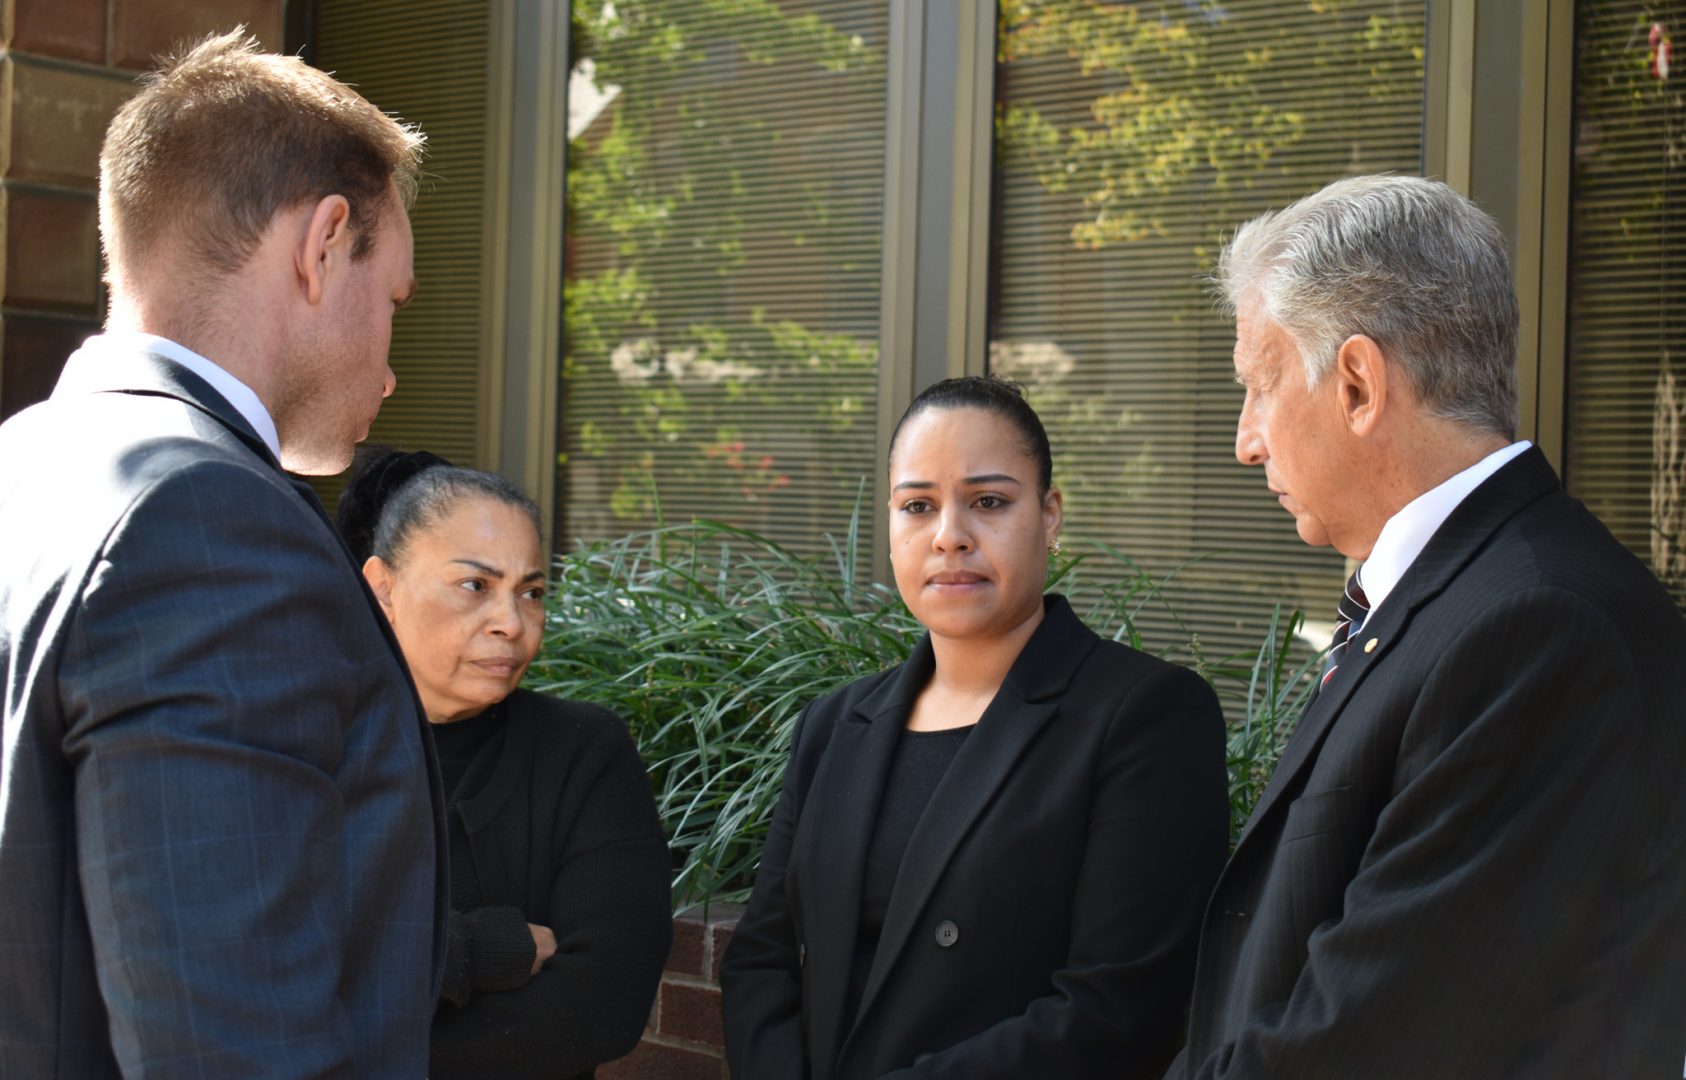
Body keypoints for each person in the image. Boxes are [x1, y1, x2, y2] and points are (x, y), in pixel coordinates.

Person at [0, 32, 444, 1077]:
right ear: (323, 243)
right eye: (395, 304)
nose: (389, 371)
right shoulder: (210, 526)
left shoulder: (22, 464)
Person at [1172, 175, 1686, 1078]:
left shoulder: (1537, 627)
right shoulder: (1471, 598)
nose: (1246, 440)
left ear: (1359, 384)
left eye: (1259, 384)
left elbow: (1369, 1040)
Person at [721, 376, 1230, 1079]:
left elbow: (1121, 1007)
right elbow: (761, 958)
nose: (949, 536)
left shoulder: (1145, 715)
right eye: (917, 506)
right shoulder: (836, 723)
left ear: (1050, 515)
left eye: (989, 502)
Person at [336, 451, 673, 1079]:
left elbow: (603, 1004)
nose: (511, 623)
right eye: (475, 586)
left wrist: (355, 1044)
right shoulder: (307, 745)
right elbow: (269, 953)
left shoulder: (583, 751)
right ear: (382, 589)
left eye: (532, 592)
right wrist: (476, 951)